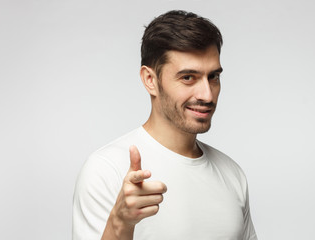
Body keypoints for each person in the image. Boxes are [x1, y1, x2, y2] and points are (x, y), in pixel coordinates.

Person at [73, 10, 257, 240]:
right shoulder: (106, 169)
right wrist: (120, 223)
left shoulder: (232, 174)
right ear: (150, 80)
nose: (207, 95)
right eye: (188, 77)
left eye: (213, 77)